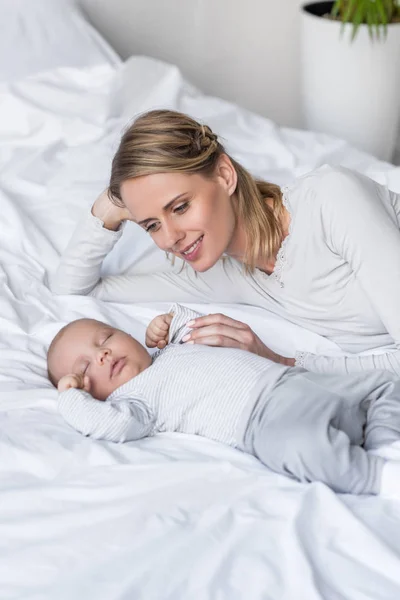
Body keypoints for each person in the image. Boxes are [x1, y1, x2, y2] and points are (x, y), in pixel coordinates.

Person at [50, 109, 400, 376]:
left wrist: (281, 361)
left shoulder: (331, 200)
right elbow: (74, 292)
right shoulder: (217, 271)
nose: (170, 238)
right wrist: (107, 209)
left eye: (181, 207)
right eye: (152, 225)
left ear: (224, 175)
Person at [47, 303, 400, 498]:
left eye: (105, 338)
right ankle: (378, 476)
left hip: (296, 381)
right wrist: (69, 396)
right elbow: (109, 425)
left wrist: (169, 323)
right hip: (265, 421)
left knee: (383, 383)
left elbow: (196, 325)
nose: (104, 353)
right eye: (86, 367)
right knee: (300, 450)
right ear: (87, 391)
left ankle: (386, 444)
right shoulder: (135, 404)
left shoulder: (172, 350)